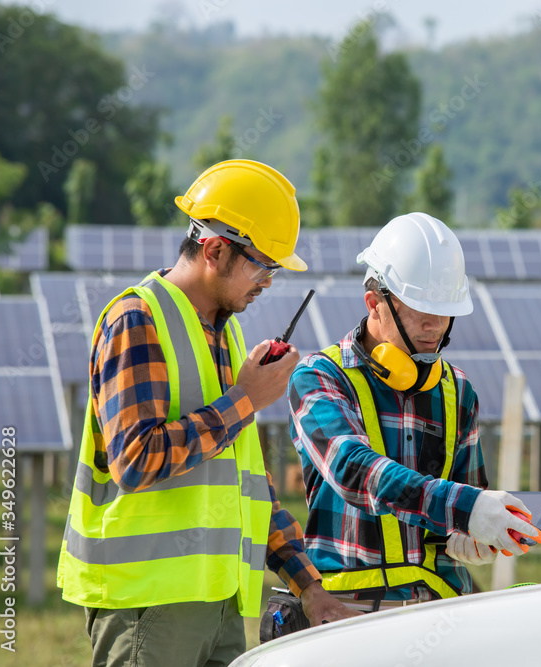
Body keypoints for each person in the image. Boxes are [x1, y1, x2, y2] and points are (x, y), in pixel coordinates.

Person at [57, 159, 359, 667]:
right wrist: (245, 400)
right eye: (263, 264)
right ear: (216, 249)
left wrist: (308, 585)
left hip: (217, 604)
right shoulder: (138, 320)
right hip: (147, 606)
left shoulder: (224, 333)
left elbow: (246, 485)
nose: (267, 281)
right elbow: (136, 460)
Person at [288, 212, 539, 612]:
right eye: (421, 309)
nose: (436, 325)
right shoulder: (320, 377)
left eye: (445, 309)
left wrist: (467, 539)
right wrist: (465, 507)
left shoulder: (457, 390)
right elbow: (354, 472)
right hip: (349, 612)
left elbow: (465, 497)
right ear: (374, 303)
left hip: (440, 609)